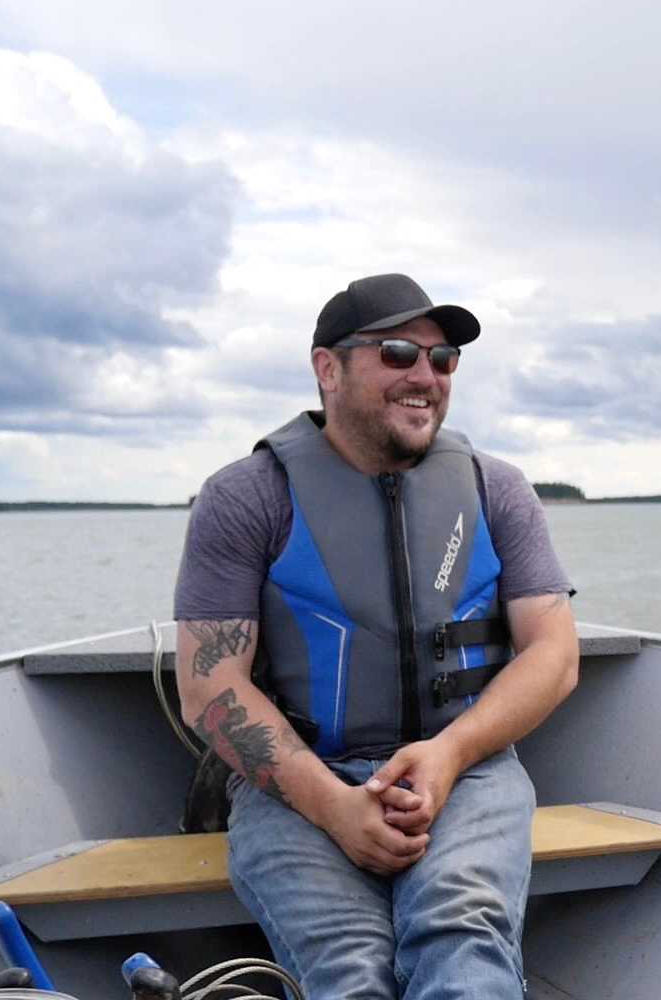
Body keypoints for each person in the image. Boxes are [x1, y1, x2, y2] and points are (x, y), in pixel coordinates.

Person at [174, 273, 579, 999]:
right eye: (397, 352)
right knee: (350, 971)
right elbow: (209, 684)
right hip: (299, 783)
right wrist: (335, 807)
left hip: (470, 771)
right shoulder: (245, 497)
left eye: (444, 357)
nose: (426, 374)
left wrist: (450, 753)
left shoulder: (498, 490)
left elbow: (554, 652)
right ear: (327, 368)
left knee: (463, 943)